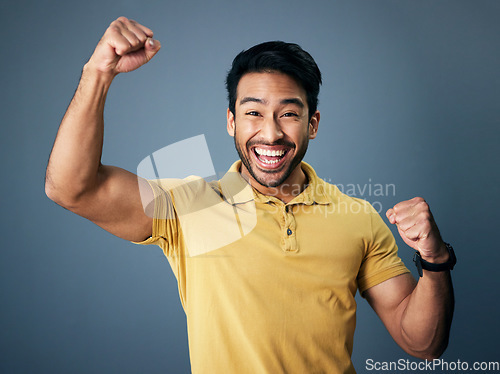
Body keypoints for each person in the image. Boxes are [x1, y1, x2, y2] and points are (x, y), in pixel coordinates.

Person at [45, 17, 455, 374]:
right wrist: (98, 72)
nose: (271, 133)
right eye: (254, 112)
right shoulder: (187, 205)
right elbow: (70, 187)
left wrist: (435, 261)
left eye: (289, 113)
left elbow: (422, 343)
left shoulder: (358, 216)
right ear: (231, 121)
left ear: (312, 123)